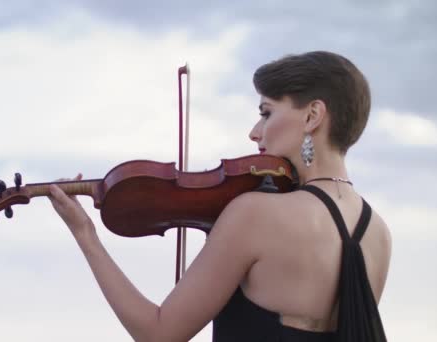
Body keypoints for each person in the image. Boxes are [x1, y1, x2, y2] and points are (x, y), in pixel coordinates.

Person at [48, 51, 392, 342]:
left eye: (266, 112)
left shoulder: (255, 214)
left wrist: (86, 235)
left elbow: (158, 333)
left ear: (313, 115)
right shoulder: (378, 233)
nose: (255, 132)